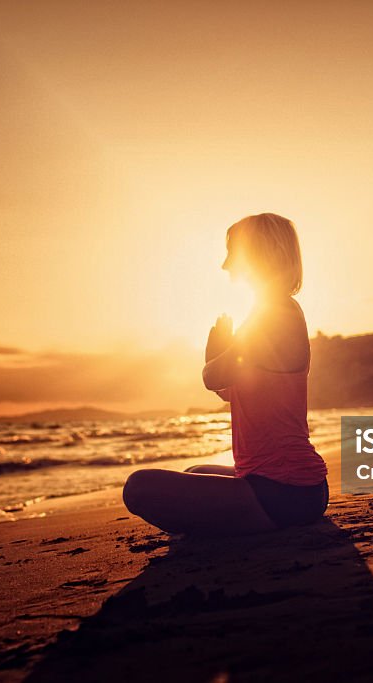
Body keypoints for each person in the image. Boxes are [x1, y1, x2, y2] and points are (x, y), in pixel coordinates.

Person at [122, 213, 329, 534]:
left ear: (257, 254)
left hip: (286, 492)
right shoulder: (269, 312)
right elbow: (230, 390)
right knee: (195, 470)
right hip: (281, 486)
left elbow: (212, 377)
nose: (225, 265)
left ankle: (241, 527)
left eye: (232, 253)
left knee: (138, 487)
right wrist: (219, 353)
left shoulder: (275, 315)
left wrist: (216, 349)